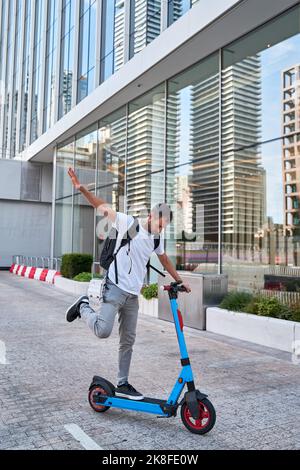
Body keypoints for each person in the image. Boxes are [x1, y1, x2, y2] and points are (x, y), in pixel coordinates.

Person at [65, 167, 191, 400]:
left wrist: (179, 280)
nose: (160, 230)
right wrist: (82, 189)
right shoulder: (129, 224)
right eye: (159, 225)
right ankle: (83, 306)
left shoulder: (156, 236)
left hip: (133, 295)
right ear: (151, 216)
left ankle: (122, 383)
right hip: (114, 287)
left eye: (164, 227)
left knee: (128, 341)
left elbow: (163, 258)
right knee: (103, 331)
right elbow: (102, 207)